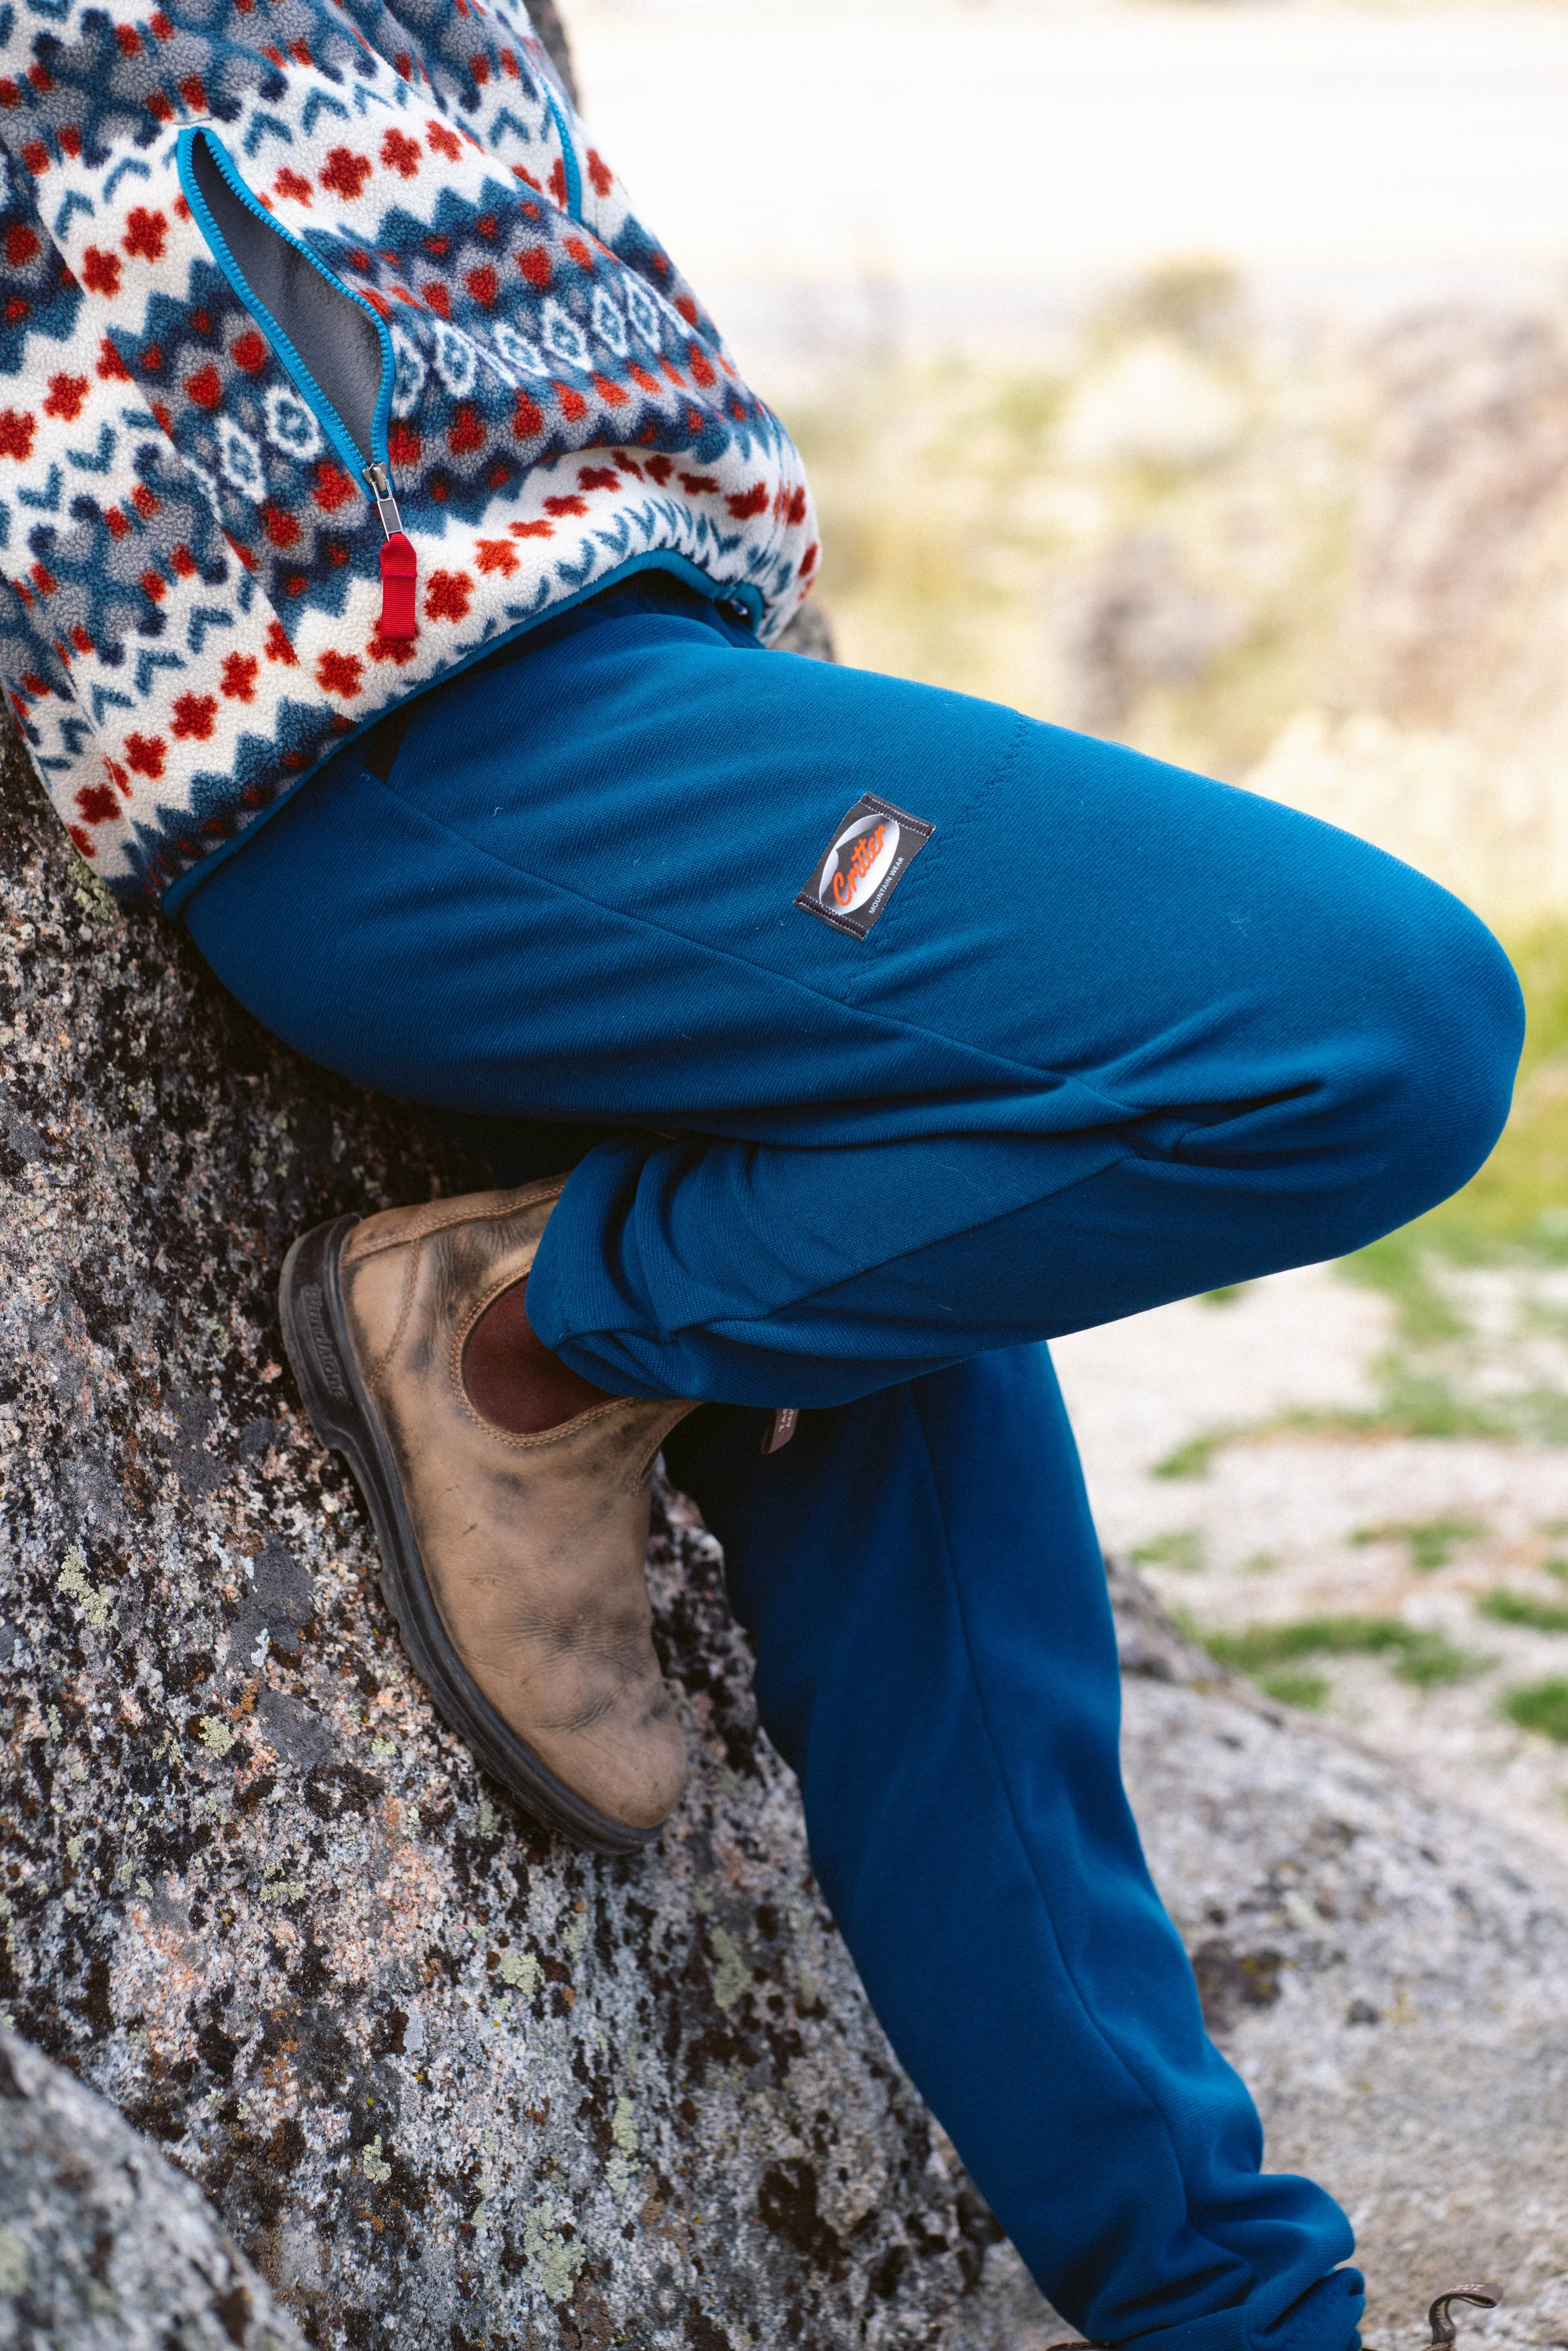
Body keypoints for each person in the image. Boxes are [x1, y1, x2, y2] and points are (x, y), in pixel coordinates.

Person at [0, 2, 1522, 2346]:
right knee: (1384, 1023)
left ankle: (1229, 2305)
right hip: (412, 754)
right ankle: (539, 1326)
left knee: (968, 1608)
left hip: (670, 712)